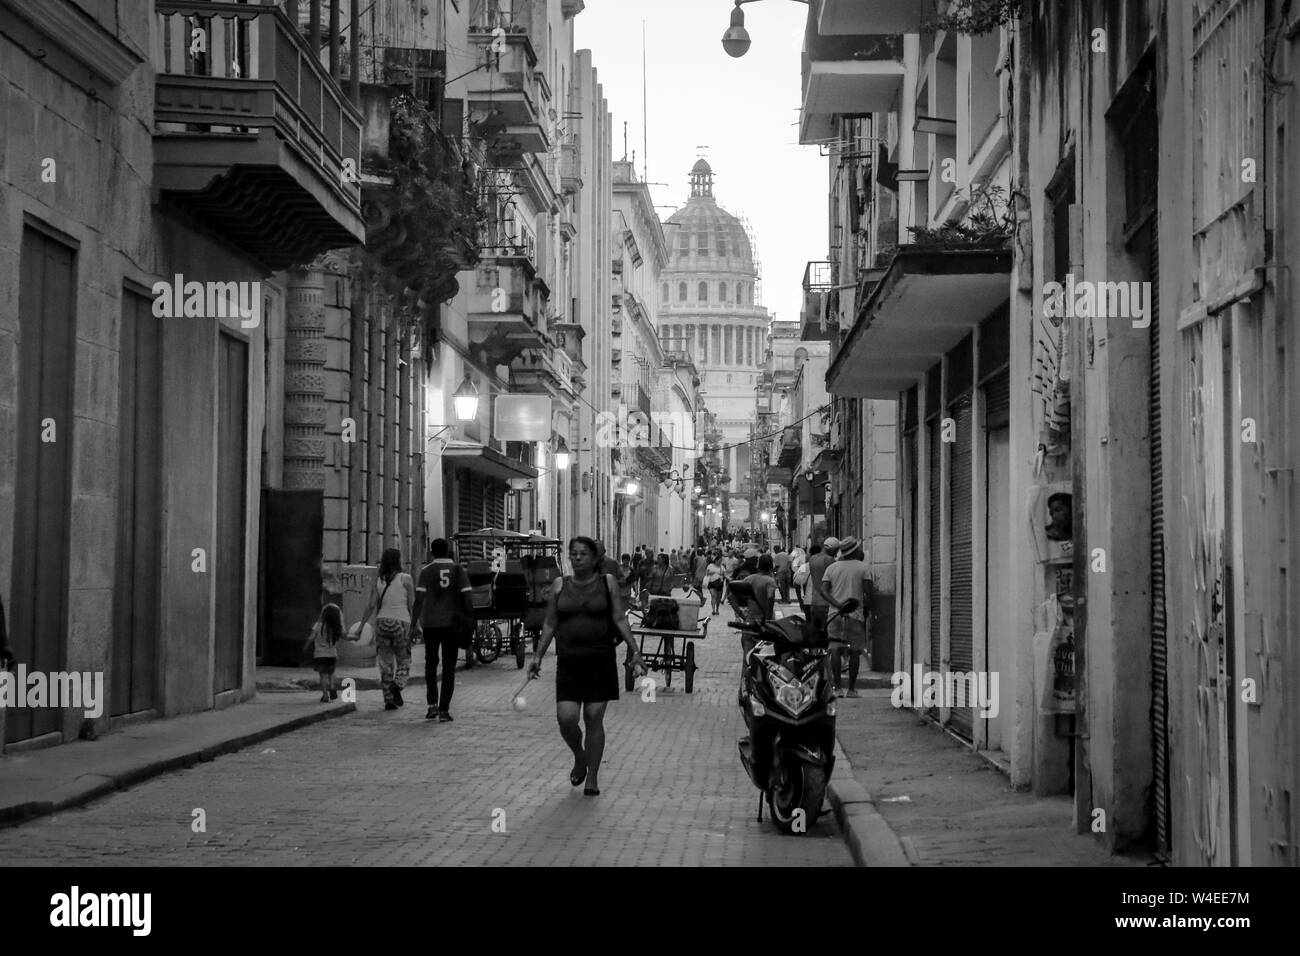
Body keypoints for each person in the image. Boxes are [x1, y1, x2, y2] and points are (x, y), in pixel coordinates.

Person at [528, 536, 646, 796]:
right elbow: (550, 623)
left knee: (593, 717)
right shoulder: (560, 585)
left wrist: (634, 650)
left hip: (600, 659)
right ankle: (580, 756)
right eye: (574, 554)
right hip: (569, 661)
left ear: (594, 559)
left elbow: (619, 618)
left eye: (583, 554)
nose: (578, 558)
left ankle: (591, 776)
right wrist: (537, 656)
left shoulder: (608, 584)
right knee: (566, 719)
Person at [412, 538, 473, 722]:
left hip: (430, 623)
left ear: (432, 552)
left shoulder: (426, 571)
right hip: (451, 624)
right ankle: (445, 709)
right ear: (448, 551)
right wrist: (469, 621)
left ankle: (432, 705)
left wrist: (413, 623)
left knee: (430, 664)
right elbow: (467, 597)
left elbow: (419, 599)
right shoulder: (458, 570)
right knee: (449, 667)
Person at [354, 548, 415, 710]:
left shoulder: (379, 580)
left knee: (385, 663)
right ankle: (398, 684)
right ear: (398, 560)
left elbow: (371, 605)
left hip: (381, 622)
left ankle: (388, 699)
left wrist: (361, 626)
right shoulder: (406, 579)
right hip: (401, 623)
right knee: (404, 660)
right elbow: (412, 605)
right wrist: (416, 625)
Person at [821, 536, 873, 697]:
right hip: (855, 615)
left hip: (834, 615)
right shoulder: (863, 568)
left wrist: (837, 605)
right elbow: (868, 593)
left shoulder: (832, 568)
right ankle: (851, 689)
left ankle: (837, 688)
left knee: (835, 651)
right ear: (855, 550)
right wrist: (866, 610)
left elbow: (823, 591)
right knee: (855, 652)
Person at [303, 603, 352, 702]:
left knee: (323, 675)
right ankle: (332, 687)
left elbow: (311, 638)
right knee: (331, 673)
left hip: (320, 655)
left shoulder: (318, 625)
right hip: (332, 655)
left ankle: (325, 695)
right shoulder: (335, 628)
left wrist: (305, 647)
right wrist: (356, 637)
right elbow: (346, 636)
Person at [807, 537, 838, 644]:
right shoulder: (829, 560)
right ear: (832, 549)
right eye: (836, 550)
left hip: (814, 601)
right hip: (826, 602)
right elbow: (833, 580)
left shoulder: (812, 558)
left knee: (814, 634)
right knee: (829, 635)